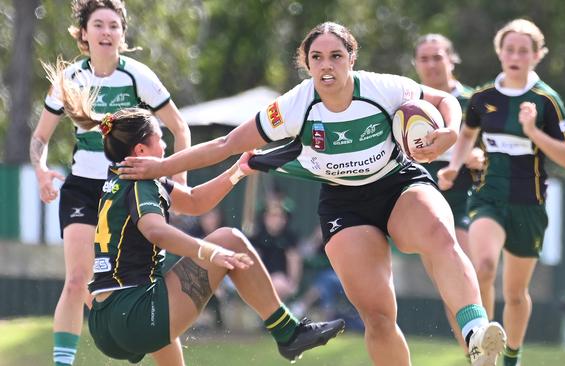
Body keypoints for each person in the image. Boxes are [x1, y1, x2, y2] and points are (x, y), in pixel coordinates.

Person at [118, 22, 507, 366]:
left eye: (336, 56)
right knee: (378, 317)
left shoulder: (383, 88)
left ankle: (474, 334)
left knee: (440, 234)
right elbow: (226, 145)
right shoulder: (294, 105)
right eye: (317, 57)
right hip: (344, 204)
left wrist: (451, 132)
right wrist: (159, 168)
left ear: (351, 59)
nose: (327, 65)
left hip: (397, 182)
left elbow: (442, 101)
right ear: (306, 63)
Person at [43, 59, 345, 365]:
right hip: (131, 314)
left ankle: (286, 333)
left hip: (104, 320)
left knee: (162, 304)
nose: (165, 140)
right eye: (159, 136)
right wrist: (210, 251)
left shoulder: (122, 177)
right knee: (229, 238)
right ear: (141, 151)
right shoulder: (141, 182)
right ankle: (287, 332)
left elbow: (196, 202)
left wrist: (239, 170)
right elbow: (155, 231)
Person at [29, 2, 191, 365]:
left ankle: (147, 342)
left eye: (113, 26)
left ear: (122, 34)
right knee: (77, 281)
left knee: (143, 283)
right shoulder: (70, 79)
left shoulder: (137, 76)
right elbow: (40, 137)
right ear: (83, 34)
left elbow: (180, 127)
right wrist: (40, 169)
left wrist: (177, 181)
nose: (106, 32)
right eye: (98, 25)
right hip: (84, 189)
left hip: (128, 186)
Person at [438, 19, 565, 366]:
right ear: (500, 52)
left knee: (515, 294)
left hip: (528, 205)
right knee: (483, 265)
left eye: (523, 50)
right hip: (488, 196)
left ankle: (511, 358)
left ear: (536, 56)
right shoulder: (484, 97)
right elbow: (467, 134)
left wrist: (533, 131)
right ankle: (482, 349)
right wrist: (455, 166)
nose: (515, 56)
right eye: (509, 49)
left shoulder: (547, 100)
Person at [412, 33, 485, 360]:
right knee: (450, 288)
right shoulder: (409, 105)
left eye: (436, 57)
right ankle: (478, 354)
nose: (430, 64)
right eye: (424, 58)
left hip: (468, 196)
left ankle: (486, 346)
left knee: (475, 273)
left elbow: (499, 147)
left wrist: (481, 155)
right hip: (422, 197)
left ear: (451, 60)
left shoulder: (474, 101)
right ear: (415, 63)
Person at [250, 199, 302, 301]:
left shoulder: (289, 237)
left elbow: (294, 260)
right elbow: (254, 261)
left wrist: (293, 283)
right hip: (262, 278)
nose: (277, 220)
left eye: (280, 216)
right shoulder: (257, 237)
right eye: (273, 216)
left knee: (278, 284)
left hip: (282, 280)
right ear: (265, 218)